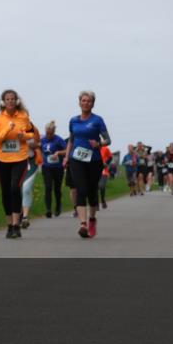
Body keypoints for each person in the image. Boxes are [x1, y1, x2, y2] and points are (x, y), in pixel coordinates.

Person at [63, 91, 110, 238]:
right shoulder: (73, 120)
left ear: (93, 103)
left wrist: (99, 143)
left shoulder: (98, 120)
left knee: (91, 191)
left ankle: (92, 219)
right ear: (79, 102)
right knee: (80, 189)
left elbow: (108, 140)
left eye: (89, 101)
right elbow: (71, 140)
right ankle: (83, 224)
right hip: (76, 159)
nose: (86, 103)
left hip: (94, 161)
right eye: (83, 101)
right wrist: (66, 157)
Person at [0, 90, 34, 239]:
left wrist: (24, 136)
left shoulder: (23, 116)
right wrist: (7, 130)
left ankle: (17, 225)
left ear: (16, 101)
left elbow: (31, 133)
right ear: (3, 101)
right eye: (7, 99)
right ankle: (9, 225)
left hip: (20, 158)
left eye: (12, 99)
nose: (10, 101)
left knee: (15, 188)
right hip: (2, 159)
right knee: (6, 192)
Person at [39, 121, 67, 217]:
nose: (49, 135)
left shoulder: (59, 140)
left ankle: (58, 206)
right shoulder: (43, 140)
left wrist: (59, 153)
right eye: (47, 133)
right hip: (47, 167)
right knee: (48, 187)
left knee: (57, 189)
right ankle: (48, 209)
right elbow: (38, 148)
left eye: (50, 133)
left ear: (54, 132)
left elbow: (67, 150)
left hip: (58, 168)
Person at [20, 121, 43, 229]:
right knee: (16, 189)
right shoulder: (11, 127)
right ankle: (18, 214)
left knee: (26, 189)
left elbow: (39, 144)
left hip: (31, 162)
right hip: (16, 162)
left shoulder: (34, 129)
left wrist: (30, 144)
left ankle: (25, 216)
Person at [98, 144, 113, 208]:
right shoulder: (91, 148)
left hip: (104, 171)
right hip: (93, 170)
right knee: (94, 187)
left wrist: (106, 163)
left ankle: (103, 200)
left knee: (102, 186)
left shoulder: (105, 148)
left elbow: (110, 157)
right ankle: (96, 204)